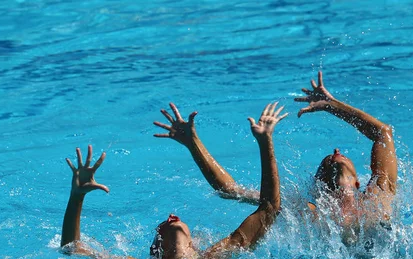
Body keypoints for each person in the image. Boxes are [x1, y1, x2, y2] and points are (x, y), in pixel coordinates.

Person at [154, 72, 397, 244]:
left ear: (357, 182)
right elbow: (228, 189)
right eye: (327, 160)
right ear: (319, 183)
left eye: (340, 155)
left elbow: (382, 133)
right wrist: (192, 143)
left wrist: (332, 105)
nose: (335, 151)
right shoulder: (303, 208)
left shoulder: (379, 197)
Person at [60, 102, 286, 259]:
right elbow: (72, 249)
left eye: (174, 219)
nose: (171, 216)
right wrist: (76, 196)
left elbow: (269, 209)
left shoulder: (216, 257)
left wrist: (265, 141)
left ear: (193, 245)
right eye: (164, 224)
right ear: (155, 252)